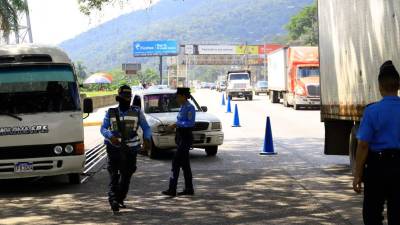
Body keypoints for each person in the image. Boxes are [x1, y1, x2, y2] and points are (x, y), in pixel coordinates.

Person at [353, 60, 400, 225]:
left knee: (372, 214)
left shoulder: (372, 111)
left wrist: (358, 174)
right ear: (398, 86)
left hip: (377, 168)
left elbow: (363, 145)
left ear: (380, 87)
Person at [100, 85, 152, 214]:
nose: (126, 100)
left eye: (128, 98)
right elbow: (103, 128)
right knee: (114, 174)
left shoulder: (137, 111)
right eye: (124, 98)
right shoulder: (110, 112)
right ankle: (113, 200)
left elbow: (146, 127)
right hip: (113, 148)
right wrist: (110, 136)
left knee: (127, 175)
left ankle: (119, 198)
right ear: (119, 98)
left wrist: (147, 140)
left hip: (131, 149)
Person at [162, 87, 196, 197]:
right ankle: (189, 188)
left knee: (175, 162)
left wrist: (176, 124)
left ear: (184, 96)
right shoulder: (182, 107)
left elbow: (190, 123)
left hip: (186, 138)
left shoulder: (190, 107)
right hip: (180, 137)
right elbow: (181, 120)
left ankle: (172, 189)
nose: (176, 98)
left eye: (178, 96)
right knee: (185, 165)